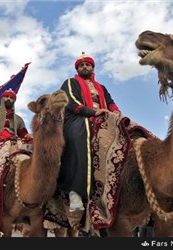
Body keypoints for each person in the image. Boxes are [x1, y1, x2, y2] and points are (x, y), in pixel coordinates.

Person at [57, 52, 121, 212]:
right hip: (77, 118)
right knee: (82, 133)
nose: (84, 67)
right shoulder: (71, 82)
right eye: (81, 65)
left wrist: (117, 114)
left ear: (92, 67)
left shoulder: (101, 87)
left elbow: (111, 103)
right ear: (77, 69)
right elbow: (71, 101)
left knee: (127, 132)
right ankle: (75, 193)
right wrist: (92, 113)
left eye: (87, 64)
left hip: (102, 117)